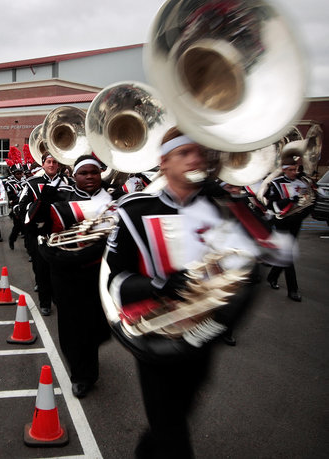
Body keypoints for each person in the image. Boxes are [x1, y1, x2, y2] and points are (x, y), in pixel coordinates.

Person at [105, 127, 293, 459]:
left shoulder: (221, 205)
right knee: (173, 432)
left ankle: (147, 451)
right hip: (157, 335)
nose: (197, 159)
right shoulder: (135, 209)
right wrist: (157, 285)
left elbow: (280, 253)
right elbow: (114, 279)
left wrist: (235, 203)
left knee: (177, 414)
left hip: (206, 332)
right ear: (163, 163)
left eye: (200, 152)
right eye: (185, 153)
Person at [39, 155, 116, 398]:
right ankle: (82, 375)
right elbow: (35, 228)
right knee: (72, 326)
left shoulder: (113, 201)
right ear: (74, 176)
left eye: (95, 172)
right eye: (84, 173)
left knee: (97, 325)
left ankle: (87, 358)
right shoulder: (61, 199)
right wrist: (42, 202)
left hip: (98, 272)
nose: (90, 177)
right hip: (65, 274)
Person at [18, 152, 73, 315]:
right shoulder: (32, 183)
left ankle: (58, 297)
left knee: (59, 268)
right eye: (48, 162)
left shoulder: (68, 183)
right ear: (43, 164)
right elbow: (21, 207)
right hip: (39, 232)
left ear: (58, 165)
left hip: (61, 233)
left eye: (54, 162)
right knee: (41, 268)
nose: (51, 165)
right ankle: (45, 302)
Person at [265, 151, 315, 302]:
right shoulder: (276, 183)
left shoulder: (302, 182)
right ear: (284, 169)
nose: (295, 172)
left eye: (296, 169)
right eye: (291, 170)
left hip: (296, 221)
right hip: (282, 222)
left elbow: (309, 202)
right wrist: (289, 200)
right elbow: (272, 206)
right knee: (288, 255)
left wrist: (304, 210)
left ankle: (272, 277)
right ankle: (293, 290)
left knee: (286, 253)